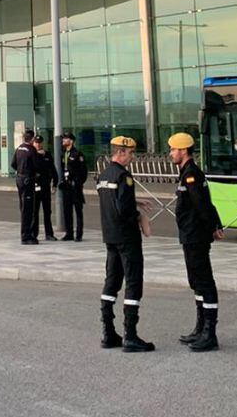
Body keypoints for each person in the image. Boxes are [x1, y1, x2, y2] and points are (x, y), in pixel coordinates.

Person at [167, 132, 225, 352]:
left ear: (183, 150)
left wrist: (213, 227)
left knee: (204, 281)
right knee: (197, 282)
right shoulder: (187, 173)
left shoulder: (191, 174)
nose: (171, 153)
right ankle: (200, 328)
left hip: (196, 236)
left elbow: (202, 204)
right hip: (190, 235)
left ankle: (209, 333)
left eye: (173, 149)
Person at [97, 135, 155, 353]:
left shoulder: (103, 175)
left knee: (111, 281)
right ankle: (130, 335)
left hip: (110, 236)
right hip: (127, 237)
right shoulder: (124, 176)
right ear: (120, 152)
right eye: (130, 153)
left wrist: (134, 200)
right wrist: (140, 216)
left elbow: (111, 201)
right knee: (133, 282)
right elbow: (123, 209)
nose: (132, 157)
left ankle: (108, 332)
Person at [59, 132, 87, 241]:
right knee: (67, 210)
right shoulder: (64, 153)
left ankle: (79, 234)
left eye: (65, 138)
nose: (63, 140)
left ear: (71, 141)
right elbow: (63, 169)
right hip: (66, 186)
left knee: (78, 211)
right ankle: (69, 233)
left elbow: (83, 171)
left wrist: (78, 182)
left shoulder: (77, 154)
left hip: (75, 186)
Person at [11, 130, 38, 244]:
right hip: (28, 180)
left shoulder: (19, 148)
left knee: (23, 207)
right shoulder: (31, 150)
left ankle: (26, 234)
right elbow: (36, 165)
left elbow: (13, 164)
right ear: (32, 139)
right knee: (28, 209)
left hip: (19, 179)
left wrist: (20, 170)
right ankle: (26, 236)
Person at [33, 135, 59, 241]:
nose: (38, 145)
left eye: (39, 143)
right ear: (33, 143)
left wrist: (55, 184)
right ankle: (34, 234)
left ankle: (49, 234)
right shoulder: (31, 154)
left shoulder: (47, 155)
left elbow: (53, 170)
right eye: (36, 143)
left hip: (45, 187)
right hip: (35, 187)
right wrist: (38, 155)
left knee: (47, 212)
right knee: (35, 212)